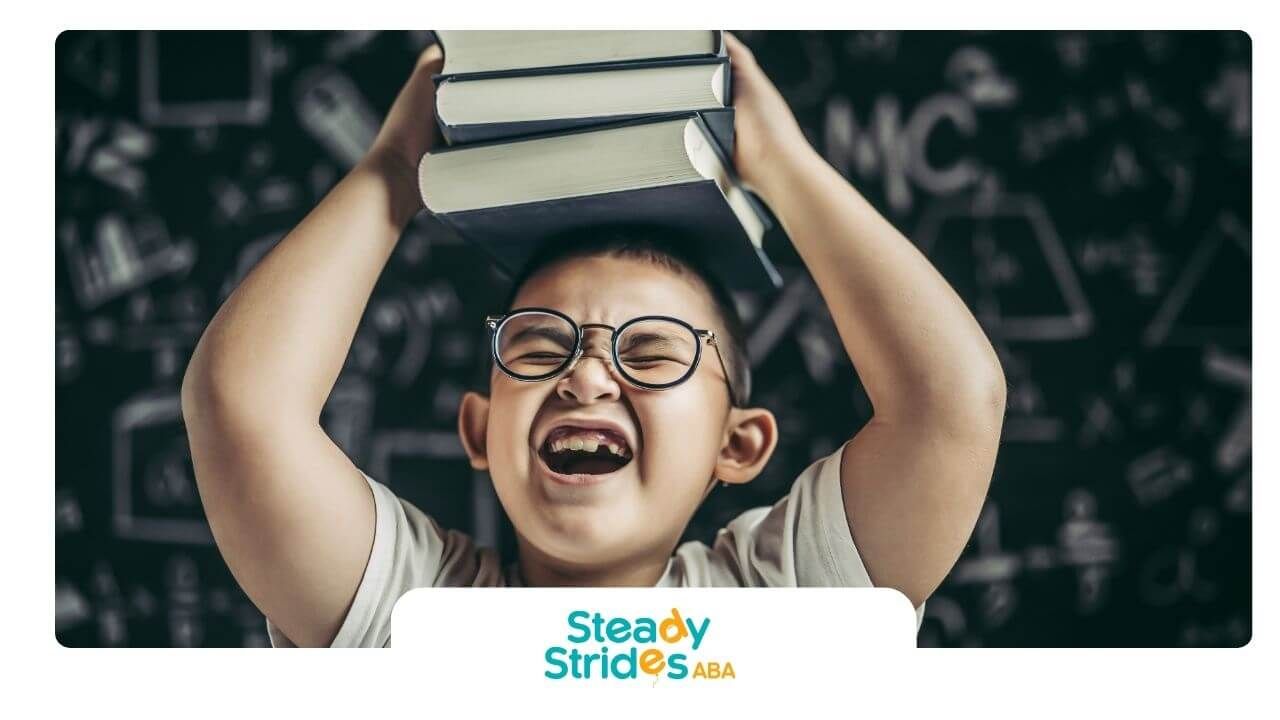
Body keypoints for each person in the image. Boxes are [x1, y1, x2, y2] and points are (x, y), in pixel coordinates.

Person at [181, 33, 1007, 648]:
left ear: (739, 442)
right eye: (539, 346)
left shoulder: (784, 596)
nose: (587, 376)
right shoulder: (410, 607)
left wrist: (784, 163)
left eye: (652, 352)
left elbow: (951, 404)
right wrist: (396, 168)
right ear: (478, 427)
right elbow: (241, 408)